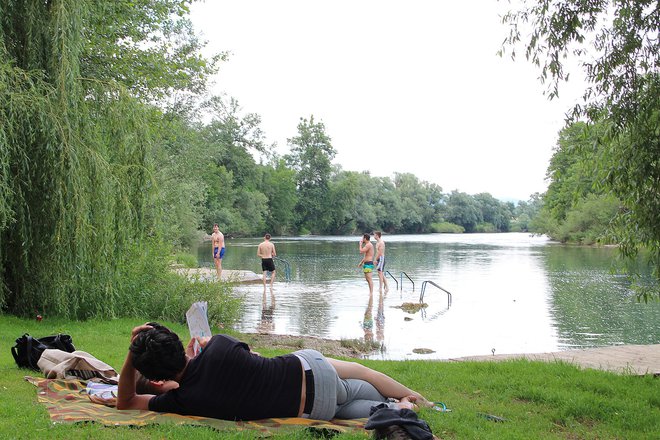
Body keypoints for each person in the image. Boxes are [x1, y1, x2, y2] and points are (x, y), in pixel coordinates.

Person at [117, 323, 433, 421]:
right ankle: (415, 398)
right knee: (360, 374)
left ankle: (400, 409)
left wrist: (132, 359)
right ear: (177, 343)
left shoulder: (182, 402)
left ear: (157, 379)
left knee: (355, 406)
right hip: (310, 369)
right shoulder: (219, 345)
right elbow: (253, 355)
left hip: (314, 410)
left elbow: (127, 402)